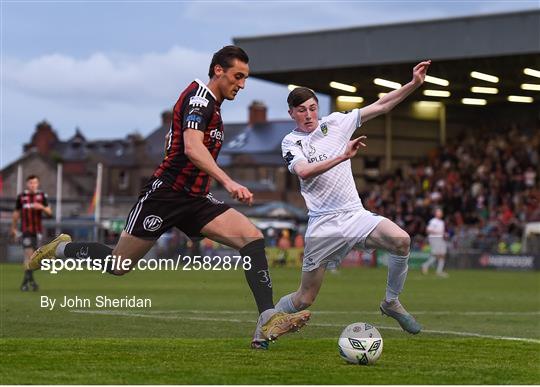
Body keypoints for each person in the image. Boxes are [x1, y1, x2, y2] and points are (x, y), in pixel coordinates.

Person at [28, 45, 310, 349]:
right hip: (165, 197)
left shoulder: (211, 105)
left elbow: (182, 140)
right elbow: (192, 147)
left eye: (244, 79)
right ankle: (62, 249)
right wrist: (228, 181)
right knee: (118, 265)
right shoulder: (200, 99)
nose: (241, 85)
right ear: (218, 70)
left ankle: (265, 322)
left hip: (195, 199)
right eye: (237, 76)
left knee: (251, 237)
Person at [276, 61, 432, 335]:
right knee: (304, 298)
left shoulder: (336, 122)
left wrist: (414, 84)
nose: (309, 114)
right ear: (291, 113)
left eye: (313, 108)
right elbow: (304, 171)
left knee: (401, 240)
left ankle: (391, 302)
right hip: (323, 225)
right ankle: (268, 322)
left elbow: (381, 106)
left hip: (353, 214)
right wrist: (342, 157)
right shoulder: (291, 142)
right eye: (302, 110)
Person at [11, 175, 52, 291]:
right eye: (30, 183)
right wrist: (13, 228)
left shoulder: (42, 196)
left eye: (35, 183)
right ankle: (28, 284)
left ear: (38, 184)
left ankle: (29, 283)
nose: (33, 185)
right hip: (26, 231)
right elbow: (16, 214)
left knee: (33, 259)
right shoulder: (22, 197)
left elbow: (50, 213)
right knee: (28, 255)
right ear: (27, 184)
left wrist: (42, 208)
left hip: (38, 232)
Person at [421, 208, 448, 277]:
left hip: (440, 238)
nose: (440, 214)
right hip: (435, 238)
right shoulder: (433, 221)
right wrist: (438, 233)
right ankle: (434, 269)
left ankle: (435, 269)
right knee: (438, 255)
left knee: (441, 255)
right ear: (436, 213)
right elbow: (428, 230)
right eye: (439, 212)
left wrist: (443, 234)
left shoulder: (441, 222)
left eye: (441, 212)